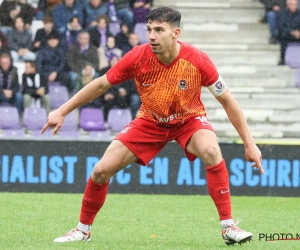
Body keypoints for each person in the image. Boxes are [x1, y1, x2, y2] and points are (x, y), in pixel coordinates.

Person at [41, 7, 264, 245]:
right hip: (150, 121)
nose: (152, 36)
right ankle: (82, 230)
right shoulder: (138, 56)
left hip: (189, 120)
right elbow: (100, 85)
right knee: (100, 171)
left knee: (211, 151)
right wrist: (62, 111)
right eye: (149, 29)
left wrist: (249, 144)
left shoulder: (197, 59)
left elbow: (227, 100)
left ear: (175, 33)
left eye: (159, 30)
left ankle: (228, 227)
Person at [277, 0, 300, 65]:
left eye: (296, 4)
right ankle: (283, 59)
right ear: (288, 5)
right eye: (293, 5)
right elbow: (281, 27)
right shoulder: (282, 13)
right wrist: (292, 32)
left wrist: (298, 32)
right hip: (287, 34)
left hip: (298, 33)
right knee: (283, 37)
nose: (295, 6)